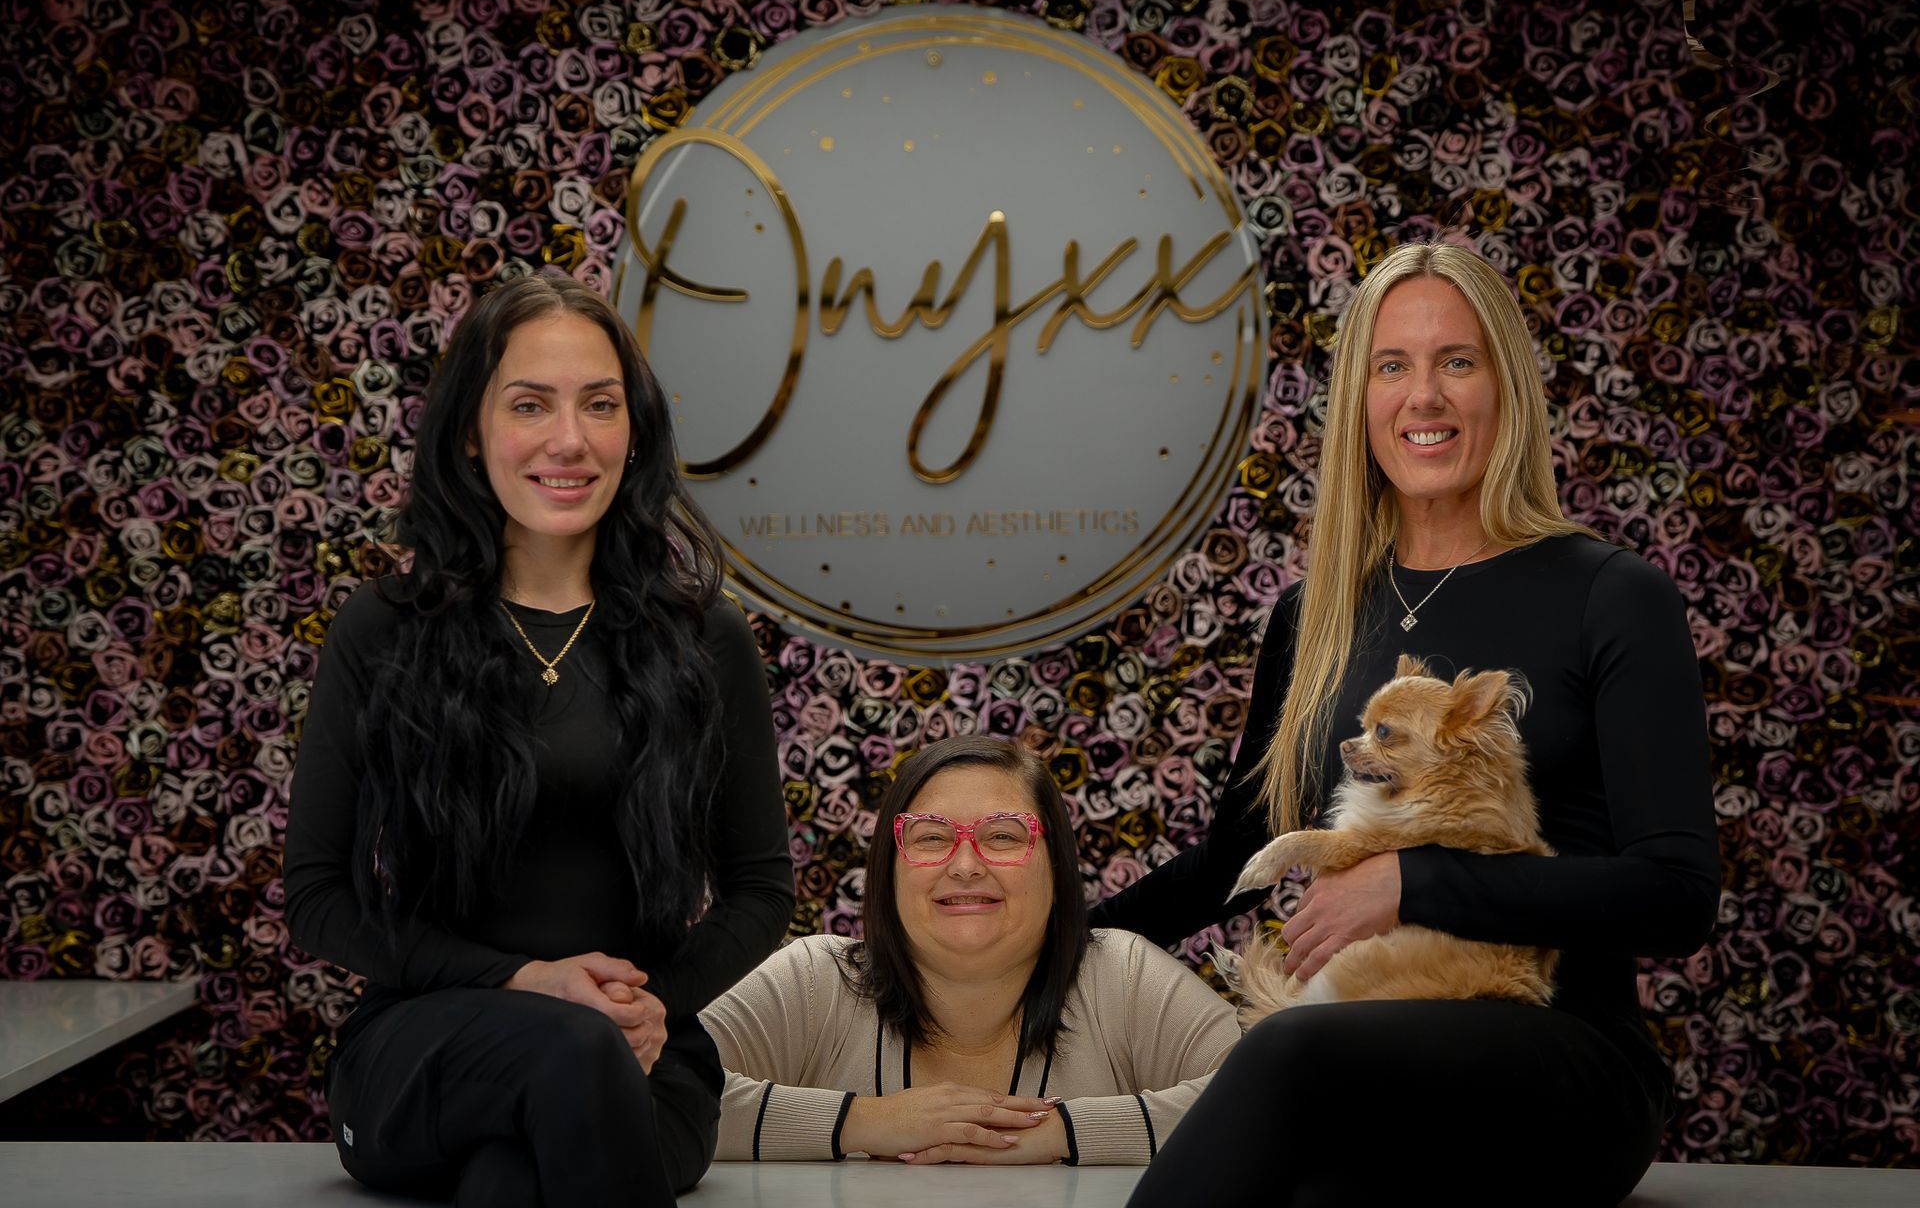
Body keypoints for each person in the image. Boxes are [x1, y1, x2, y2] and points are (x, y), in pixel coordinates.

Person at [1098, 243, 1719, 1205]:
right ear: (1360, 400)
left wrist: (1413, 883)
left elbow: (1675, 897)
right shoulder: (1314, 612)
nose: (1422, 396)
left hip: (1559, 1055)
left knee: (1290, 1047)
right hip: (1369, 1040)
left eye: (1456, 362)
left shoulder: (1612, 595)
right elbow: (1239, 851)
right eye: (1393, 366)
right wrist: (1060, 944)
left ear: (1504, 388)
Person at [284, 274, 794, 1206]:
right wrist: (527, 981)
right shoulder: (384, 629)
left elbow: (762, 889)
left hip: (639, 1058)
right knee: (565, 1049)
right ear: (471, 433)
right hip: (423, 1053)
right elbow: (317, 899)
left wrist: (651, 1008)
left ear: (632, 429)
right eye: (530, 404)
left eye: (600, 405)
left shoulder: (703, 641)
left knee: (514, 1172)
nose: (571, 440)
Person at [701, 735, 1241, 1165]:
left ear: (1056, 867)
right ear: (890, 868)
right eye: (931, 838)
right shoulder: (817, 979)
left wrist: (1063, 1132)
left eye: (1003, 836)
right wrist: (863, 1121)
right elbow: (650, 1091)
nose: (964, 864)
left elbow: (1284, 1103)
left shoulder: (1121, 976)